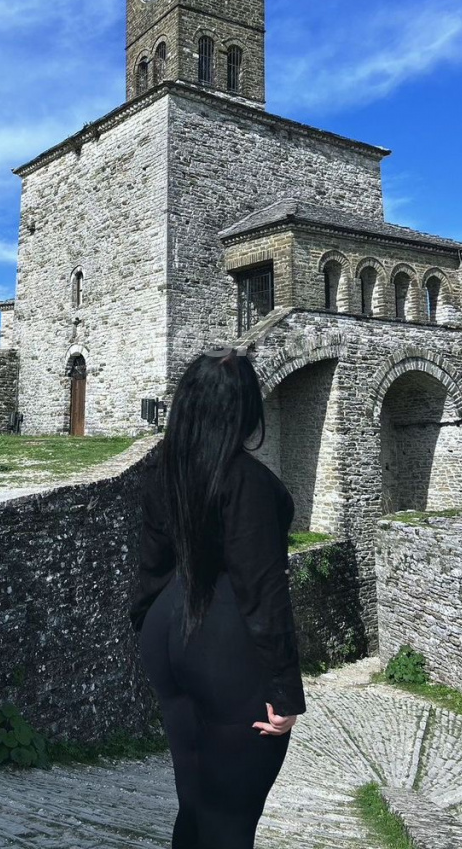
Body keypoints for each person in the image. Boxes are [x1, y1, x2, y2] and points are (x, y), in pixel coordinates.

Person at [129, 347, 306, 849]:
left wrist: (147, 627)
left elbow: (153, 563)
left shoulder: (164, 469)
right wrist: (285, 691)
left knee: (195, 804)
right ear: (244, 409)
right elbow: (263, 587)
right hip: (224, 645)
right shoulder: (247, 481)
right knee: (230, 819)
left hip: (168, 633)